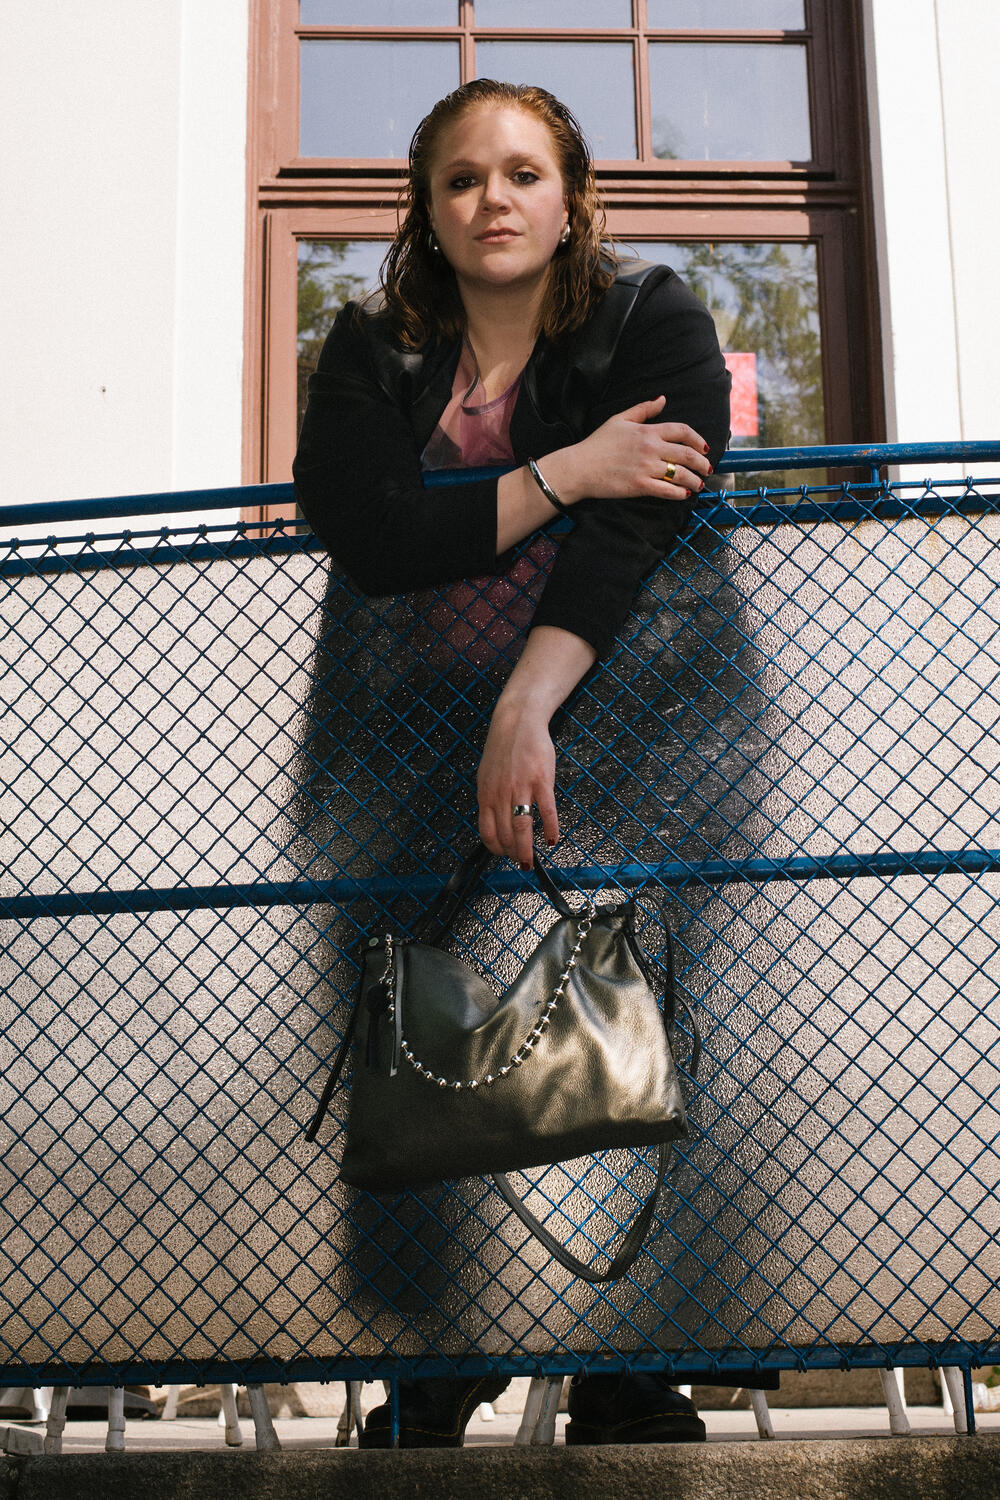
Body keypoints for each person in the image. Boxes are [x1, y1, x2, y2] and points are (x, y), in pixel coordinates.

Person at [294, 79, 733, 1448]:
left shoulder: (647, 317)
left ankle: (618, 1362)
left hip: (628, 717)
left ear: (571, 196)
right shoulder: (371, 350)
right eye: (464, 178)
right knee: (409, 1020)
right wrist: (567, 468)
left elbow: (644, 518)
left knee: (614, 1022)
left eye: (524, 173)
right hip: (404, 728)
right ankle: (437, 1367)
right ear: (426, 211)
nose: (495, 199)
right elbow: (371, 533)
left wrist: (528, 702)